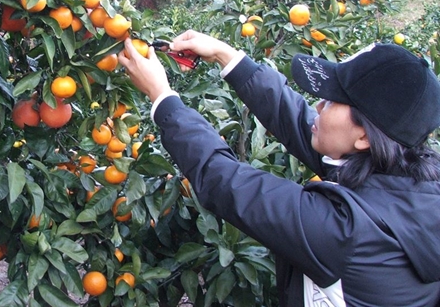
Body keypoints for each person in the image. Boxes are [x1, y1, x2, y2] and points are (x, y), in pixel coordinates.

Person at [117, 31, 440, 307]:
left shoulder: (348, 230)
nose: (317, 106)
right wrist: (225, 55)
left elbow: (224, 180)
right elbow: (299, 121)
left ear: (365, 137)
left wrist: (162, 97)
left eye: (330, 101)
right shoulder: (411, 177)